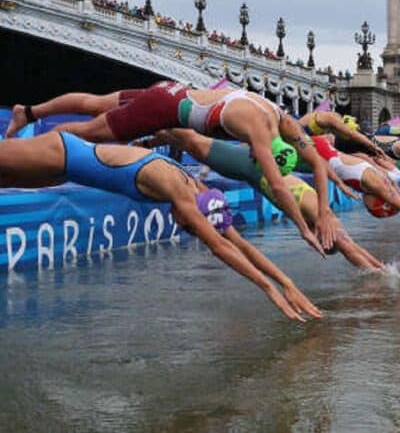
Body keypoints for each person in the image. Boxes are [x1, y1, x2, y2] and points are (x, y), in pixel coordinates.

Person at [0, 131, 322, 323]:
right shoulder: (180, 191)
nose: (182, 227)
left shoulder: (197, 187)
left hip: (64, 171)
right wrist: (268, 289)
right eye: (189, 228)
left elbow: (239, 243)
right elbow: (220, 246)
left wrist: (287, 282)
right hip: (61, 152)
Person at [5, 81, 337, 255]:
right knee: (87, 134)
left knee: (94, 103)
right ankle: (39, 147)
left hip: (169, 89)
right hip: (163, 108)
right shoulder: (260, 131)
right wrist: (304, 229)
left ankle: (29, 112)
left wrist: (323, 211)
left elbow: (317, 164)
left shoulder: (280, 118)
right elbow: (278, 185)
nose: (253, 156)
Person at [137, 129, 385, 271]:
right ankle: (149, 132)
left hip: (253, 167)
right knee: (193, 142)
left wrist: (380, 268)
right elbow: (350, 248)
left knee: (193, 142)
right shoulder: (322, 218)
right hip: (252, 167)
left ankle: (149, 138)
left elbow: (352, 247)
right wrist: (379, 277)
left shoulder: (317, 215)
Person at [311, 135, 400, 242]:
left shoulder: (383, 181)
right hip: (320, 148)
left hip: (326, 150)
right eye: (371, 209)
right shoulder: (379, 181)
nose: (367, 207)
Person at [298, 110, 385, 157]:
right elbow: (352, 133)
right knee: (330, 139)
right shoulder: (331, 118)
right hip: (298, 137)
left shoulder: (320, 114)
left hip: (298, 135)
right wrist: (373, 146)